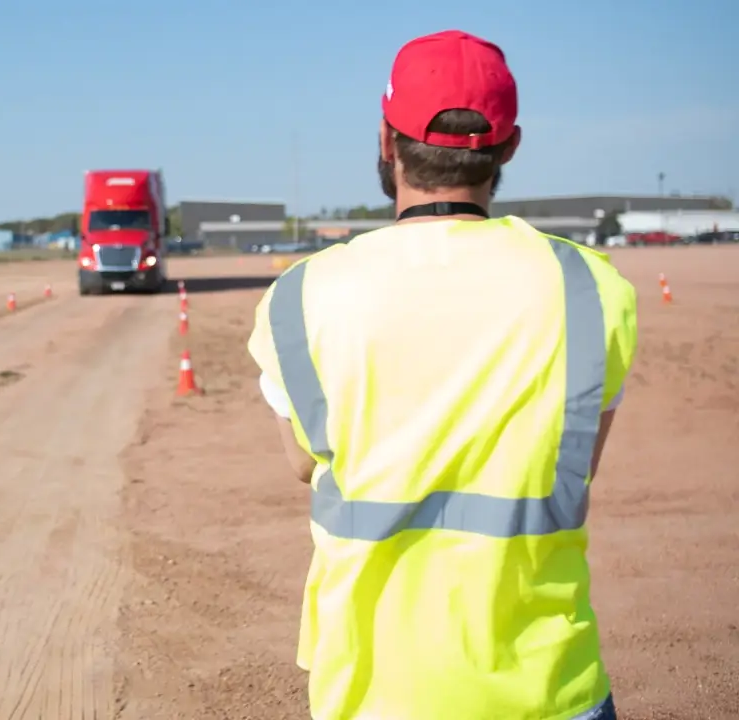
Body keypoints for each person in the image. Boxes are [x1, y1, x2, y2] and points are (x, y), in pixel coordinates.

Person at [247, 31, 636, 720]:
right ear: (508, 148)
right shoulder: (591, 288)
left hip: (372, 695)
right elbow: (577, 465)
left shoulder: (301, 296)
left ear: (387, 144)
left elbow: (302, 465)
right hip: (551, 691)